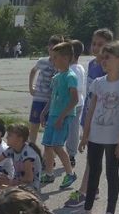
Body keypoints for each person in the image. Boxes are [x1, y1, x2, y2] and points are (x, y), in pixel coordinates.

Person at [72, 41, 119, 214]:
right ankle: (87, 207)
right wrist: (85, 135)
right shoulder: (98, 83)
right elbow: (90, 110)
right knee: (94, 171)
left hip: (113, 137)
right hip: (95, 136)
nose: (103, 61)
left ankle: (110, 211)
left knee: (111, 173)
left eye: (108, 57)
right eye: (102, 57)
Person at [66, 28, 114, 208]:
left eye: (101, 44)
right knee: (92, 156)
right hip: (88, 113)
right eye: (94, 43)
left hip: (102, 118)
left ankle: (85, 191)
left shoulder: (109, 67)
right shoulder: (92, 64)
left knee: (94, 157)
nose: (96, 47)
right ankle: (94, 188)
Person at [40, 42, 78, 189]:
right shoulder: (56, 77)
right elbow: (52, 97)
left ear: (66, 58)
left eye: (55, 57)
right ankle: (49, 173)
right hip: (52, 116)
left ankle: (70, 173)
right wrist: (44, 112)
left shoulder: (70, 76)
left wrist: (62, 116)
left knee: (57, 145)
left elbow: (74, 100)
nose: (53, 60)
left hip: (63, 117)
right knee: (48, 145)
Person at [0, 123, 43, 193]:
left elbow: (29, 179)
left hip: (30, 186)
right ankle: (3, 189)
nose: (6, 137)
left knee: (12, 194)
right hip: (16, 182)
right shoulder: (11, 150)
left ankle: (4, 190)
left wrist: (10, 182)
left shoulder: (28, 154)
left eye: (9, 135)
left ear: (19, 139)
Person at [27, 34, 63, 144]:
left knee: (49, 126)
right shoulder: (42, 61)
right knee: (34, 124)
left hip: (50, 100)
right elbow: (33, 71)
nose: (53, 53)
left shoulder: (60, 64)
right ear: (48, 48)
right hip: (38, 98)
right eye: (51, 49)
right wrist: (31, 87)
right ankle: (32, 146)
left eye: (56, 50)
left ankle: (48, 148)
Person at [66, 39, 86, 168]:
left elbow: (75, 89)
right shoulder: (79, 67)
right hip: (77, 103)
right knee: (72, 129)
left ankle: (71, 155)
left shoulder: (73, 69)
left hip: (73, 104)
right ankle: (69, 153)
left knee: (72, 130)